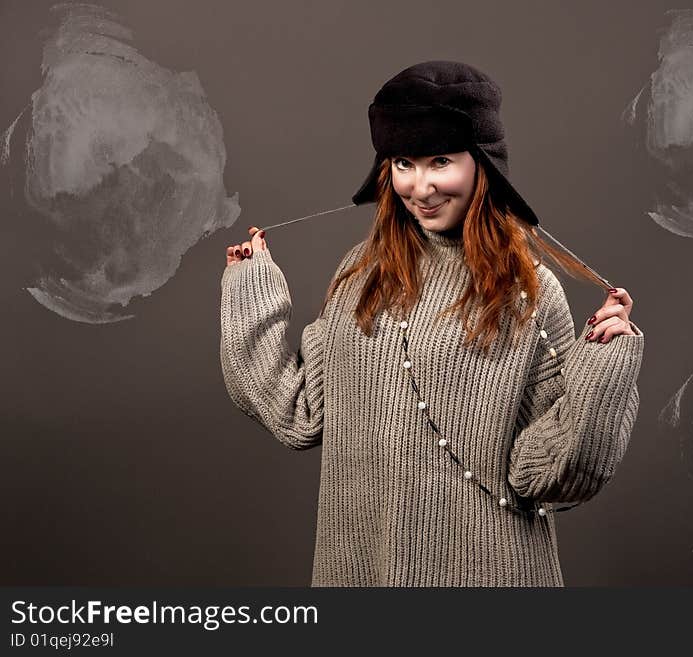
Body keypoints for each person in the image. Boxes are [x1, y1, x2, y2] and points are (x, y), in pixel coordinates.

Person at [219, 60, 644, 586]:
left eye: (440, 161)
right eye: (404, 163)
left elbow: (545, 471)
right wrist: (249, 289)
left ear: (482, 164)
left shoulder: (526, 292)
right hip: (361, 572)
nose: (420, 188)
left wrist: (605, 365)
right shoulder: (359, 277)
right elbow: (298, 412)